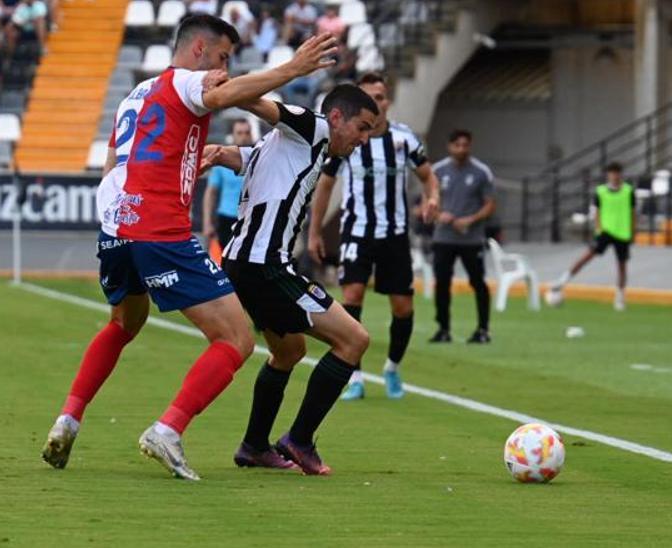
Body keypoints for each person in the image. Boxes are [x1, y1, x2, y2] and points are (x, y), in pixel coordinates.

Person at [38, 16, 339, 481]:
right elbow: (221, 96)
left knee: (123, 323)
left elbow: (113, 163)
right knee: (236, 338)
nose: (224, 69)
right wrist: (293, 68)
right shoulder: (188, 79)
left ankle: (68, 420)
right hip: (160, 230)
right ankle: (168, 429)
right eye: (222, 58)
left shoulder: (136, 94)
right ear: (198, 48)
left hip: (116, 226)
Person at [204, 84, 377, 475]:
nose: (364, 139)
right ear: (336, 118)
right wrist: (227, 89)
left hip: (244, 264)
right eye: (362, 128)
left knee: (288, 352)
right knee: (354, 340)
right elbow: (259, 103)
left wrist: (217, 155)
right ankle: (298, 440)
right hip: (265, 266)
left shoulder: (284, 149)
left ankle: (253, 446)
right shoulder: (313, 128)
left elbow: (246, 159)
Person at [308, 72, 440, 401]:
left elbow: (427, 175)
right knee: (351, 297)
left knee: (402, 308)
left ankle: (392, 368)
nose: (376, 104)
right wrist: (314, 232)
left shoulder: (404, 139)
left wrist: (432, 197)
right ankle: (355, 375)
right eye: (368, 98)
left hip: (394, 234)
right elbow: (325, 184)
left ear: (387, 101)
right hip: (356, 231)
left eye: (380, 98)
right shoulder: (349, 139)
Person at [429, 130, 496, 344]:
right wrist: (440, 215)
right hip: (443, 237)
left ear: (470, 146)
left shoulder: (481, 172)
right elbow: (426, 202)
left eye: (465, 145)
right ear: (449, 146)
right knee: (441, 283)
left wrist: (470, 219)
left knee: (478, 282)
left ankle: (483, 329)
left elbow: (490, 205)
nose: (461, 149)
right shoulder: (437, 171)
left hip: (471, 238)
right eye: (457, 145)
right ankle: (443, 328)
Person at [549, 162, 635, 311]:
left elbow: (633, 213)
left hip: (623, 232)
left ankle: (620, 297)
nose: (615, 176)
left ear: (621, 174)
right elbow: (596, 211)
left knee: (622, 266)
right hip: (605, 232)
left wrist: (633, 231)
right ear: (608, 174)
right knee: (586, 257)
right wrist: (598, 228)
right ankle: (562, 281)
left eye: (617, 173)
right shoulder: (601, 191)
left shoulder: (628, 191)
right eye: (612, 173)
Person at [201, 119, 252, 250]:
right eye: (239, 133)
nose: (244, 137)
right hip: (226, 217)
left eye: (247, 133)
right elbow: (211, 192)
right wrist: (207, 223)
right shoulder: (221, 160)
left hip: (249, 218)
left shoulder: (256, 159)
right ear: (233, 135)